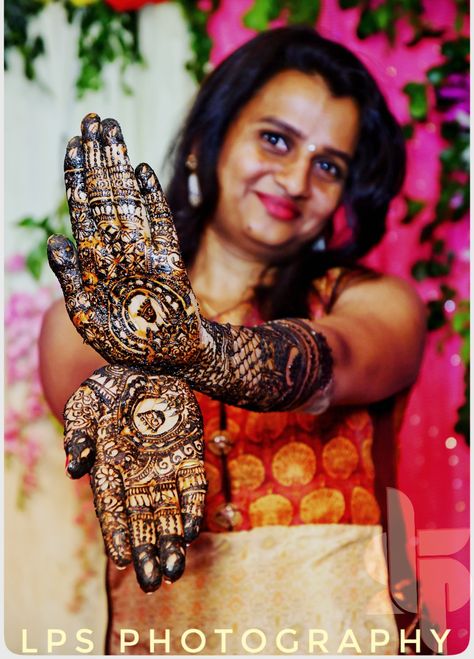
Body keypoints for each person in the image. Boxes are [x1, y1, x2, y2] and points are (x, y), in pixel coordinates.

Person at [39, 26, 428, 655]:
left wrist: (193, 347)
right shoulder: (89, 316)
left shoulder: (374, 302)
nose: (297, 180)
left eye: (328, 165)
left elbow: (340, 356)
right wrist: (145, 320)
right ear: (204, 140)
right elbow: (83, 381)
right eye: (276, 140)